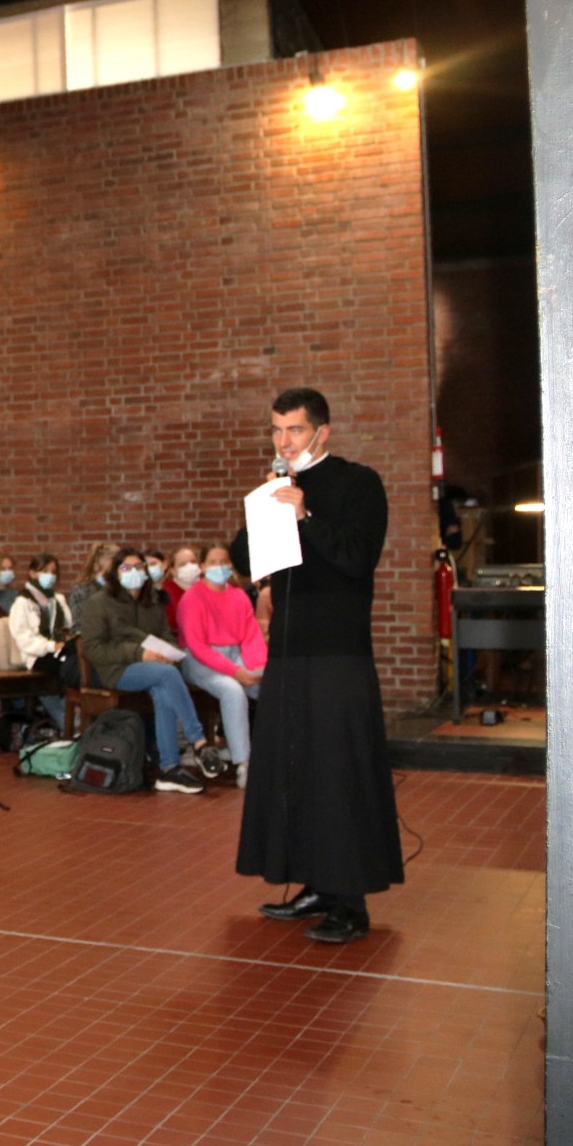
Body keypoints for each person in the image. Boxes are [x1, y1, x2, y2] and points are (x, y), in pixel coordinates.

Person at [232, 387, 403, 945]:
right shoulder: (279, 486)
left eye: (295, 431)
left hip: (337, 653)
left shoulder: (358, 484)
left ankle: (349, 903)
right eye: (277, 431)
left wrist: (304, 515)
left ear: (322, 432)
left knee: (337, 772)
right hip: (288, 652)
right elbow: (244, 556)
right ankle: (314, 884)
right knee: (292, 766)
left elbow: (357, 556)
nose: (284, 441)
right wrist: (266, 505)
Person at [75, 547, 208, 794]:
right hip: (115, 670)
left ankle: (169, 769)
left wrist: (168, 653)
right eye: (126, 568)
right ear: (116, 573)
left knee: (162, 689)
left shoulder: (153, 602)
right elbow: (93, 649)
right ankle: (198, 740)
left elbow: (166, 636)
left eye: (138, 567)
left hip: (153, 668)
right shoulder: (99, 603)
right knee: (167, 675)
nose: (133, 572)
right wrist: (139, 654)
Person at [175, 544, 262, 787]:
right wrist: (236, 672)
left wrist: (257, 668)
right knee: (232, 691)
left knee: (271, 684)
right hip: (199, 659)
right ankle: (244, 763)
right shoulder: (191, 598)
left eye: (224, 562)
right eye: (213, 562)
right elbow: (197, 646)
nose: (219, 567)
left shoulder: (238, 595)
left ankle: (275, 753)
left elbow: (251, 636)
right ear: (202, 566)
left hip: (235, 655)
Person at [6, 553, 72, 724]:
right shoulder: (23, 602)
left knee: (77, 660)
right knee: (66, 665)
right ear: (32, 573)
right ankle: (65, 717)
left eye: (53, 572)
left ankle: (72, 708)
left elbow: (68, 626)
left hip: (59, 648)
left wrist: (64, 640)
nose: (49, 576)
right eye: (44, 571)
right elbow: (23, 638)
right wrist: (51, 646)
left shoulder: (57, 599)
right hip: (37, 655)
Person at [159, 544, 202, 637]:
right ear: (173, 570)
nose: (190, 566)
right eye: (183, 564)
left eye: (193, 562)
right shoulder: (167, 592)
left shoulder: (207, 587)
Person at [69, 541, 119, 616]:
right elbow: (79, 622)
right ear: (99, 563)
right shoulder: (82, 591)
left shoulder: (120, 588)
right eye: (114, 560)